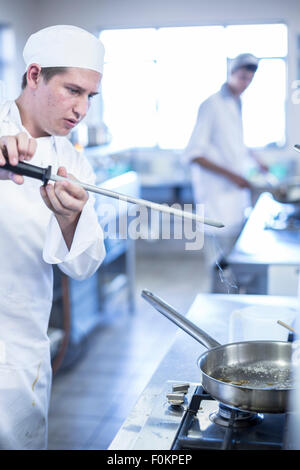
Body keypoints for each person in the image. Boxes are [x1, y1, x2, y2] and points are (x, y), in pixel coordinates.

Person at [0, 25, 107, 450]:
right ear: (34, 75)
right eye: (72, 91)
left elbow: (84, 265)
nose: (81, 110)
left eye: (90, 98)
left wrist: (70, 219)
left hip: (18, 355)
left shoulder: (73, 166)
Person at [184, 53, 267, 258]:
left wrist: (257, 160)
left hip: (235, 197)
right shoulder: (211, 105)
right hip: (216, 198)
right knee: (218, 263)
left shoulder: (237, 104)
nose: (245, 84)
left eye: (249, 80)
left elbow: (233, 144)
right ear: (231, 73)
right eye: (242, 78)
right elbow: (194, 154)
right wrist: (232, 176)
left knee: (234, 258)